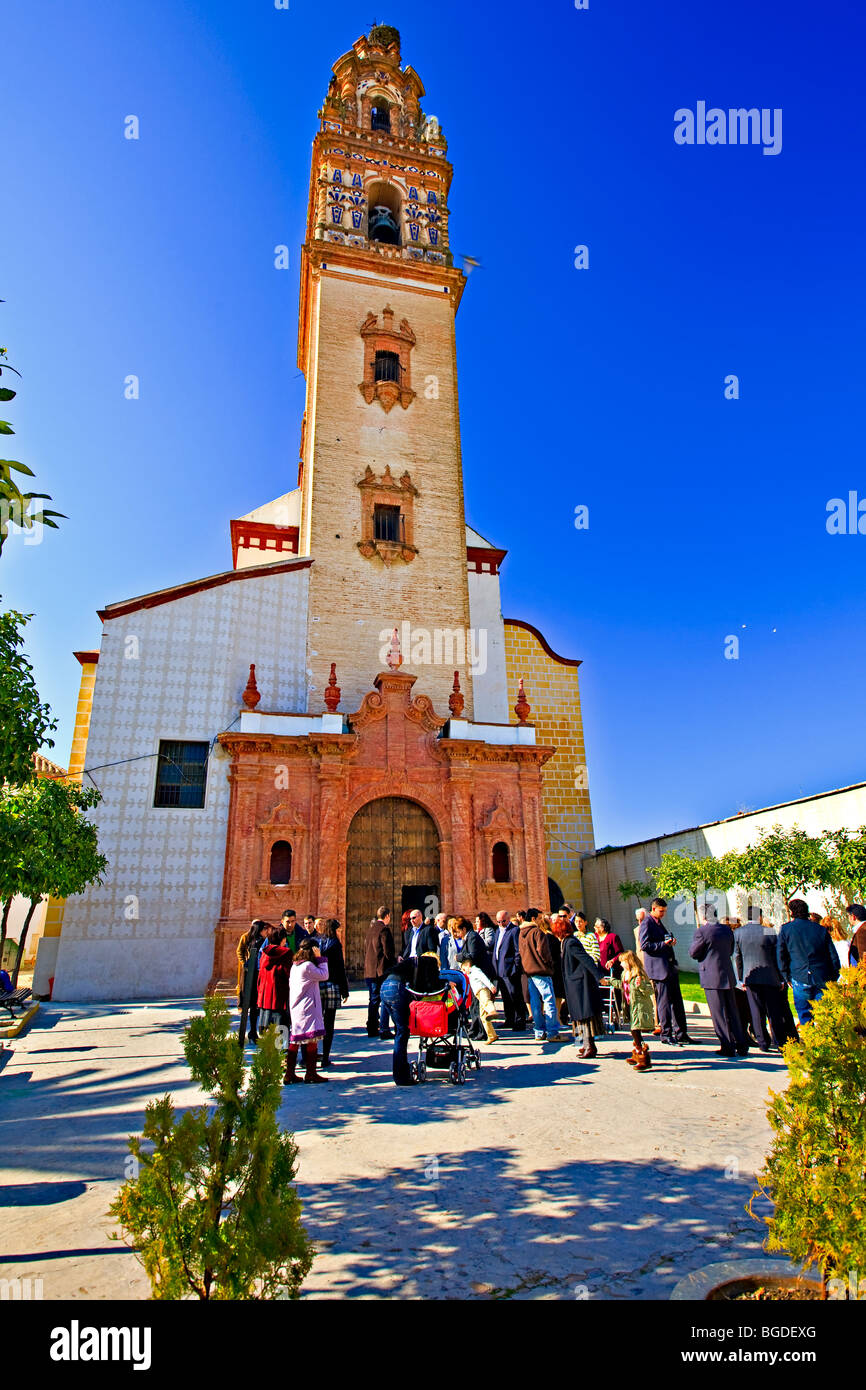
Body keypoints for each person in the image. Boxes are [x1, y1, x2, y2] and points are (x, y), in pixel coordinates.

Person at [734, 910, 798, 1051]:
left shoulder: (739, 933)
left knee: (756, 1011)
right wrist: (781, 978)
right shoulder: (769, 932)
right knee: (773, 1011)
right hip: (770, 976)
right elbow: (777, 956)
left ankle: (763, 1042)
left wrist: (741, 978)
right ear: (760, 917)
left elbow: (738, 957)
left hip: (750, 977)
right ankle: (780, 1041)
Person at [689, 908, 749, 1058]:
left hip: (711, 975)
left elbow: (694, 952)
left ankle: (727, 1045)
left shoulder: (702, 932)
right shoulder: (726, 930)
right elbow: (730, 950)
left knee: (719, 1013)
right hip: (726, 973)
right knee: (732, 1010)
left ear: (703, 916)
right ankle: (741, 1044)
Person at [639, 898, 693, 1047]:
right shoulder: (647, 923)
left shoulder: (658, 922)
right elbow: (644, 945)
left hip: (669, 966)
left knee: (677, 1001)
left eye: (664, 911)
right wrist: (664, 944)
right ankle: (666, 1034)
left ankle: (681, 1033)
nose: (663, 914)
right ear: (654, 909)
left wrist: (669, 941)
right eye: (661, 911)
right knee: (664, 1003)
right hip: (659, 969)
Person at [778, 898, 841, 1025]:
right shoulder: (820, 929)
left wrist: (786, 976)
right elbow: (833, 955)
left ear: (792, 913)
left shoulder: (786, 930)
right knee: (825, 1015)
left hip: (799, 975)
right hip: (821, 976)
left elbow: (781, 955)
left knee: (804, 1013)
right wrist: (834, 975)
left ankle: (810, 1040)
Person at [284, 940, 329, 1084]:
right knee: (311, 1039)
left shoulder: (295, 966)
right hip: (308, 1007)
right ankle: (311, 1073)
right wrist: (320, 958)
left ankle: (289, 1073)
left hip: (297, 1007)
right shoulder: (308, 966)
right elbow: (324, 975)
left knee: (296, 1038)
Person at [312, 917, 350, 1068]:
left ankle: (311, 1055)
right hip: (332, 986)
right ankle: (325, 1057)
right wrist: (344, 990)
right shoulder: (335, 944)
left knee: (315, 1021)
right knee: (329, 1023)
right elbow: (340, 968)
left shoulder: (317, 942)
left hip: (317, 985)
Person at [518, 908, 561, 1042]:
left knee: (535, 1003)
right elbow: (543, 952)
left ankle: (539, 1032)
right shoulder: (537, 932)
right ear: (533, 919)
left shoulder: (521, 933)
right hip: (541, 971)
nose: (541, 921)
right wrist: (549, 964)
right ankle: (552, 1032)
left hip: (529, 972)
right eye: (539, 918)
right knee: (549, 1000)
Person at [561, 929, 603, 1058]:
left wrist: (598, 976)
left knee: (584, 1016)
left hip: (580, 983)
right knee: (579, 1016)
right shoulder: (566, 942)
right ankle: (585, 1044)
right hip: (574, 983)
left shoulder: (571, 943)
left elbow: (586, 959)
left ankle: (590, 1046)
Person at [379, 957, 417, 1086]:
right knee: (402, 1032)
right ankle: (401, 1076)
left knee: (400, 1030)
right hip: (397, 988)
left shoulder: (406, 965)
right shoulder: (420, 966)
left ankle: (401, 1071)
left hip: (385, 987)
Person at [364, 906, 397, 1039]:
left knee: (373, 1000)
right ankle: (384, 1029)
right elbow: (388, 952)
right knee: (384, 999)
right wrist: (394, 965)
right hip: (380, 971)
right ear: (387, 916)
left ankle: (372, 1028)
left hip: (370, 970)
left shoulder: (370, 930)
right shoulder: (384, 930)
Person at [619, 950, 654, 1070]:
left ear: (629, 962)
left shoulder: (639, 974)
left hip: (639, 1007)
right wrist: (609, 981)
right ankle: (637, 1054)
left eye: (622, 962)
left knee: (635, 1031)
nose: (621, 964)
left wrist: (642, 986)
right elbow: (622, 985)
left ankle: (644, 1058)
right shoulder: (625, 974)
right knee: (634, 1032)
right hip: (630, 1006)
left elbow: (650, 990)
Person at [257, 924, 294, 1034]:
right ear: (283, 939)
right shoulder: (286, 953)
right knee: (281, 1028)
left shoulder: (264, 953)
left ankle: (267, 1049)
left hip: (264, 994)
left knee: (266, 1028)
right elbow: (288, 973)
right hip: (280, 994)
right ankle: (281, 1049)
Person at [494, 909, 526, 1030]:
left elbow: (518, 951)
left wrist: (515, 968)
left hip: (510, 970)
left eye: (503, 921)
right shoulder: (498, 931)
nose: (501, 923)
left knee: (515, 996)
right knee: (506, 997)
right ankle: (509, 1019)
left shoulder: (514, 930)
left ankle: (519, 1021)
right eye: (498, 921)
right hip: (500, 969)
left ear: (508, 919)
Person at [236, 919, 268, 1042]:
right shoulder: (250, 939)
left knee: (253, 1006)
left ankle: (252, 1032)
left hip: (255, 974)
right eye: (264, 929)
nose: (266, 931)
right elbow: (240, 951)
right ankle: (253, 1032)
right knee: (253, 1005)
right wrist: (245, 963)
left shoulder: (262, 941)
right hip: (253, 975)